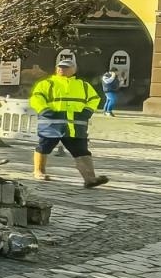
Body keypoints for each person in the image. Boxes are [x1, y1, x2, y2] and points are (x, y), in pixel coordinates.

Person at [30, 50, 108, 187]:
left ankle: (90, 179)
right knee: (44, 147)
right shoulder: (46, 84)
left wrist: (87, 111)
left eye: (66, 67)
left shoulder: (83, 85)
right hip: (51, 124)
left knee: (82, 152)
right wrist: (44, 110)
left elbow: (94, 99)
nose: (62, 69)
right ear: (56, 69)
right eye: (60, 67)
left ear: (74, 70)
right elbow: (36, 98)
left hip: (75, 126)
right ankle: (38, 171)